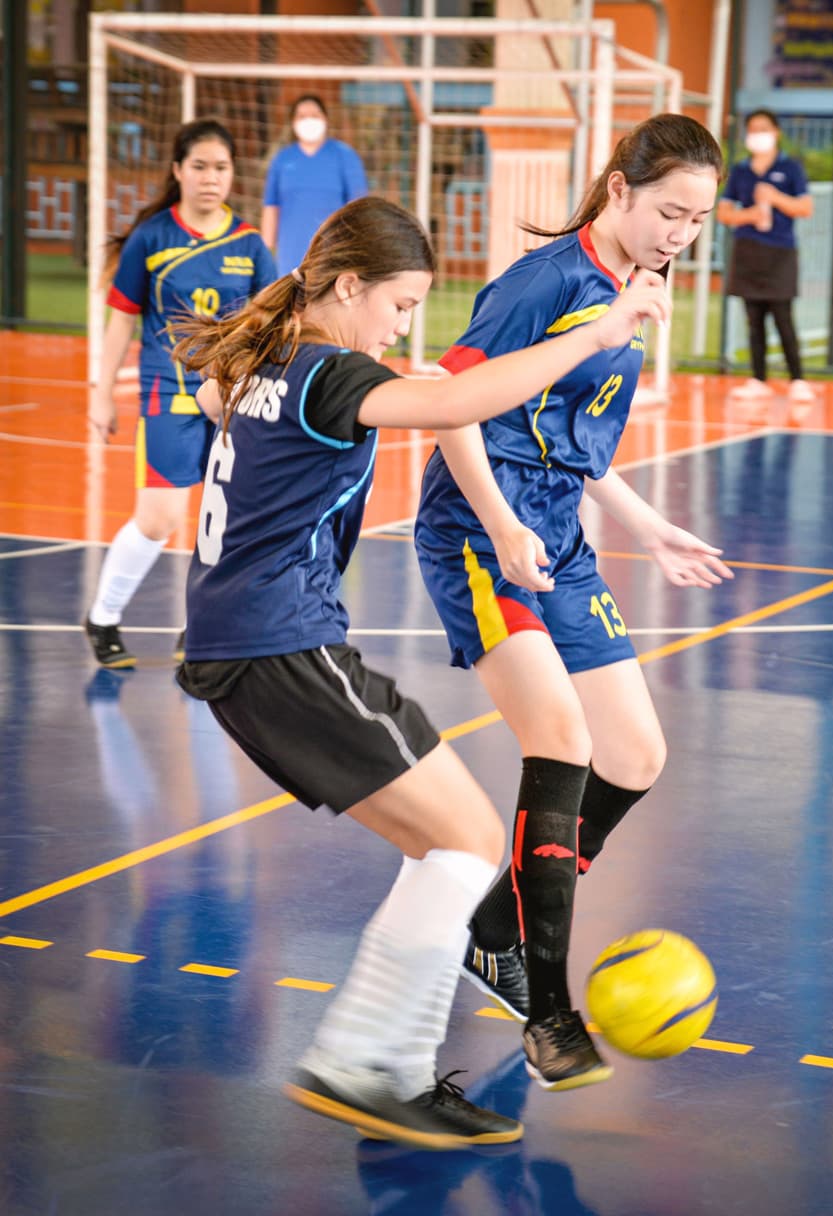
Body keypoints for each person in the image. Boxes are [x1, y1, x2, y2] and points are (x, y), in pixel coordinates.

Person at [171, 195, 670, 1148]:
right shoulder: (326, 371)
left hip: (238, 645)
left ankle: (385, 1067)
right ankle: (363, 1063)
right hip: (285, 649)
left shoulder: (257, 360)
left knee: (452, 845)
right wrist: (598, 331)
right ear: (349, 287)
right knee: (470, 843)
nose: (405, 327)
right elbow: (455, 402)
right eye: (399, 306)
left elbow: (210, 397)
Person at [412, 113, 734, 1093]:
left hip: (558, 540)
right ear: (620, 190)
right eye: (671, 212)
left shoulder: (639, 286)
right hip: (479, 535)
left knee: (635, 753)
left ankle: (497, 925)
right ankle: (545, 1011)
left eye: (697, 221)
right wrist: (504, 527)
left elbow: (576, 440)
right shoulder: (546, 282)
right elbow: (446, 398)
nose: (682, 234)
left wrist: (647, 526)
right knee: (562, 739)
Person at [85, 119, 277, 669]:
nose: (210, 178)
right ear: (177, 171)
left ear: (232, 174)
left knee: (226, 515)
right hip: (166, 392)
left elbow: (269, 326)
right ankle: (102, 617)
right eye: (199, 167)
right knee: (161, 516)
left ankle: (201, 626)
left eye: (220, 167)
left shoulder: (248, 243)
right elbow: (120, 321)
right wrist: (101, 394)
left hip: (231, 397)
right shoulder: (150, 238)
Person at [716, 109, 814, 400]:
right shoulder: (741, 170)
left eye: (764, 128)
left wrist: (775, 197)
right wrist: (749, 215)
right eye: (753, 129)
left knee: (783, 316)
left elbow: (805, 208)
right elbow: (724, 212)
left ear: (776, 132)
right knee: (753, 318)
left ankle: (797, 379)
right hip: (748, 250)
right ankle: (758, 379)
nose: (758, 134)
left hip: (781, 251)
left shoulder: (791, 168)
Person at [261, 94, 368, 278]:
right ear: (293, 123)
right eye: (302, 116)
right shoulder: (282, 159)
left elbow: (358, 206)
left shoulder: (344, 156)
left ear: (325, 119)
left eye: (315, 114)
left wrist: (356, 248)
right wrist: (264, 253)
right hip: (290, 255)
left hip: (333, 253)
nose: (309, 120)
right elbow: (271, 207)